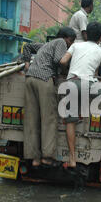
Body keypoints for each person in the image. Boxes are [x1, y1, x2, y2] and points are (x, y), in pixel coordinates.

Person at [60, 22, 101, 168]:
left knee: (71, 121)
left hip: (70, 84)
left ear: (86, 34)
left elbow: (63, 61)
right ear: (100, 37)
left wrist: (66, 71)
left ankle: (72, 159)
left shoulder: (76, 45)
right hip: (89, 85)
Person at [23, 27, 76, 168]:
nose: (71, 45)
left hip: (29, 79)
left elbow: (27, 47)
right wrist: (65, 72)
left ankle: (34, 158)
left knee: (32, 119)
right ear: (65, 38)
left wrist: (27, 64)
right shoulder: (61, 43)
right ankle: (47, 157)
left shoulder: (46, 45)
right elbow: (59, 60)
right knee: (48, 119)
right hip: (44, 79)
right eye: (71, 41)